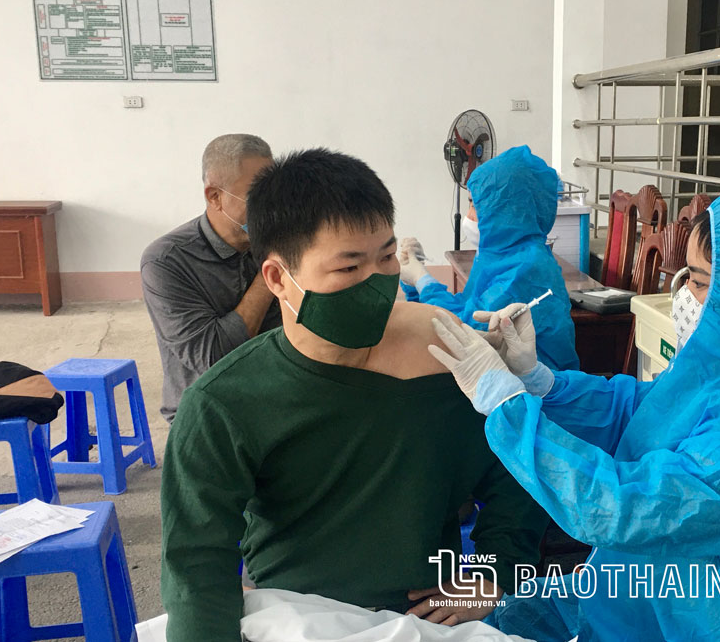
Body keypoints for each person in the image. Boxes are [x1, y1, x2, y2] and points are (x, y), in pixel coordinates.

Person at [427, 180, 720, 641]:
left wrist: (506, 406)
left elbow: (626, 508)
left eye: (700, 282)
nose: (684, 293)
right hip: (644, 591)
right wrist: (539, 382)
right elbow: (640, 411)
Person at [159, 148, 548, 641]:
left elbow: (519, 469)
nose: (377, 284)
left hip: (429, 623)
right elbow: (196, 563)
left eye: (386, 258)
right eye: (348, 269)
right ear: (278, 279)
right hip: (299, 619)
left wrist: (494, 573)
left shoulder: (448, 362)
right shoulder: (226, 403)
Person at [398, 145, 579, 372]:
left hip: (533, 385)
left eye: (475, 205)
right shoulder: (499, 255)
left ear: (507, 210)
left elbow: (465, 328)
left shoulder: (527, 268)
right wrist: (414, 281)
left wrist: (422, 280)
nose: (469, 216)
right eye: (469, 203)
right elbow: (467, 307)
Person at [141, 133, 281, 422]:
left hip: (275, 399)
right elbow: (215, 357)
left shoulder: (278, 239)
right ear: (215, 197)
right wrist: (272, 270)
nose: (271, 207)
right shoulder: (167, 261)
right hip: (209, 415)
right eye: (257, 197)